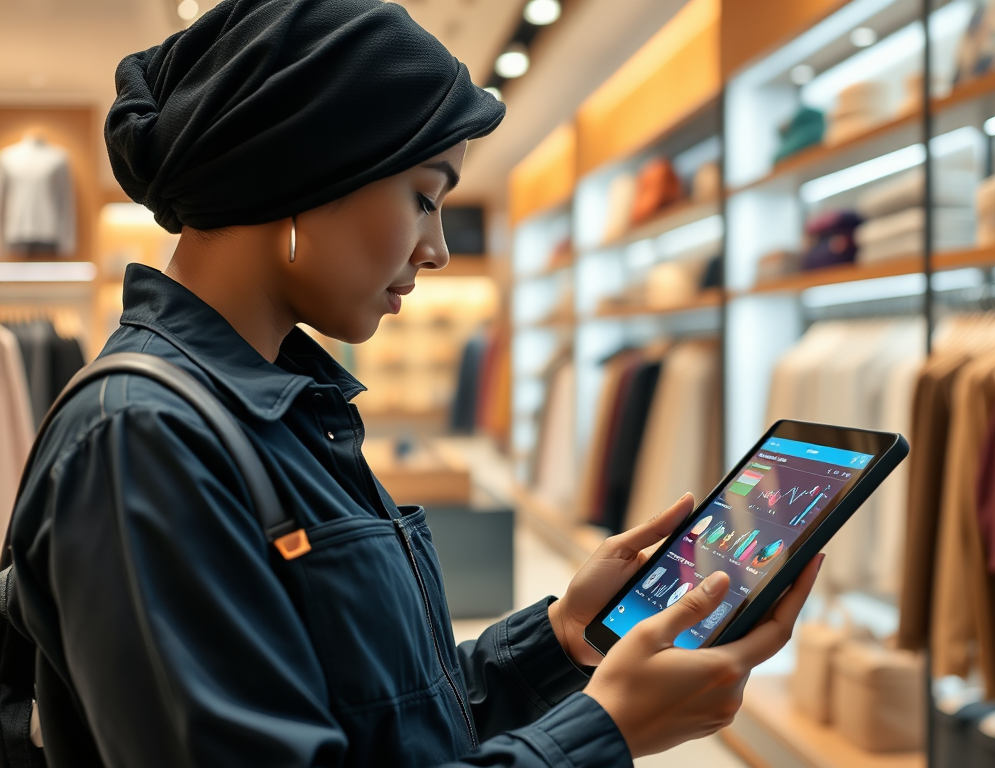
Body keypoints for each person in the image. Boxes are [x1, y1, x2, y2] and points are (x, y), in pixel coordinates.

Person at [6, 1, 821, 766]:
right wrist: (601, 733)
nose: (438, 249)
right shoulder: (143, 441)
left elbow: (382, 718)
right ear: (304, 171)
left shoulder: (279, 411)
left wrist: (562, 636)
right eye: (423, 197)